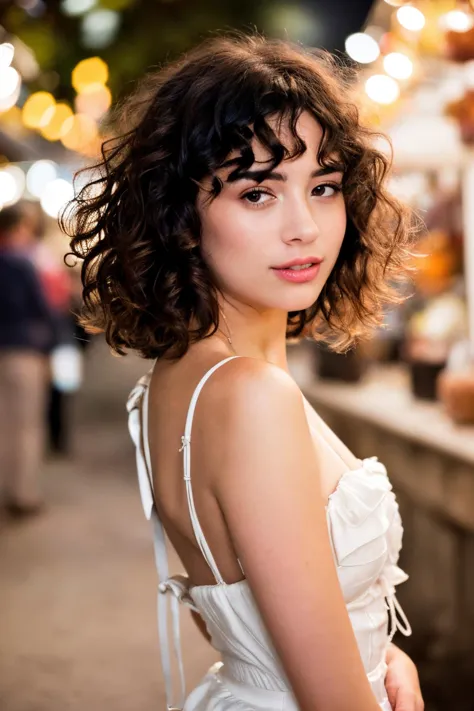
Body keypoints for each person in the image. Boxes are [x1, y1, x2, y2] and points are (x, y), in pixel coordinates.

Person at [63, 33, 424, 711]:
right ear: (182, 214)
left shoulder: (184, 377)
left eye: (323, 187)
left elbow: (226, 604)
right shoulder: (253, 395)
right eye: (258, 192)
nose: (305, 228)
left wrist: (381, 651)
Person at [0, 202, 56, 515]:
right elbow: (41, 307)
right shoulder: (25, 263)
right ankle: (23, 494)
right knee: (26, 426)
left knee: (4, 422)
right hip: (24, 349)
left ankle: (7, 488)